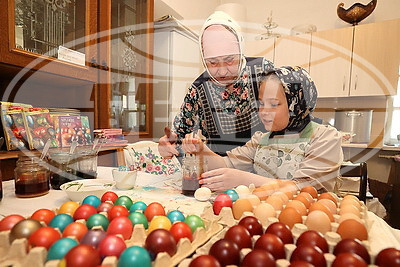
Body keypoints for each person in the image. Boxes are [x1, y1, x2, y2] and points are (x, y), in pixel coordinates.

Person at [182, 66, 343, 193]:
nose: (264, 112)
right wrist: (201, 150)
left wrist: (245, 180)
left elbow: (304, 189)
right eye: (261, 103)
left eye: (273, 105)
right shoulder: (261, 140)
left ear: (297, 104)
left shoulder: (324, 138)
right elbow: (225, 165)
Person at [158, 11, 274, 158]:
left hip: (264, 163)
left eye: (230, 59)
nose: (223, 71)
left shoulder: (262, 71)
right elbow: (178, 135)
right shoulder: (198, 89)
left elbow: (286, 115)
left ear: (241, 50)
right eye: (212, 63)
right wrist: (166, 144)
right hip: (220, 168)